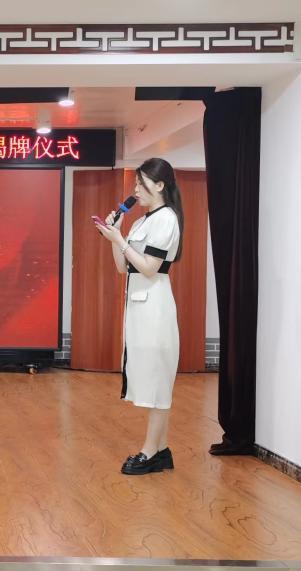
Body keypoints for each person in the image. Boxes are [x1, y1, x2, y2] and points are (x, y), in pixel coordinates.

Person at [95, 157, 184, 475]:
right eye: (135, 184)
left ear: (160, 185)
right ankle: (161, 450)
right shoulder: (140, 223)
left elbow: (149, 268)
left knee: (158, 381)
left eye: (141, 183)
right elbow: (124, 268)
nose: (135, 190)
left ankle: (150, 451)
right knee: (148, 376)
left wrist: (119, 240)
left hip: (155, 306)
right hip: (137, 306)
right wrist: (116, 234)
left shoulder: (167, 219)